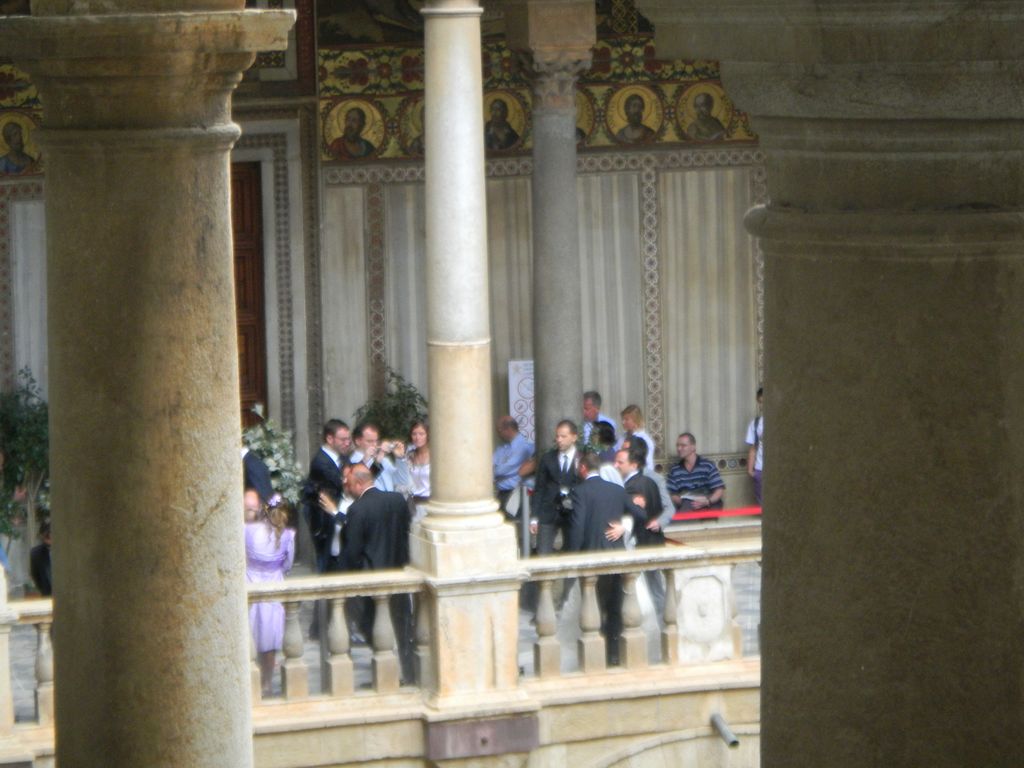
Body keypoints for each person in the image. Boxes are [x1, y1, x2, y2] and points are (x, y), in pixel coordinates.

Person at [340, 464, 415, 683]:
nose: (347, 488)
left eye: (349, 484)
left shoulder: (357, 509)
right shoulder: (397, 501)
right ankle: (408, 674)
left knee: (372, 626)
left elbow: (353, 551)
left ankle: (388, 676)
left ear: (358, 483)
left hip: (372, 579)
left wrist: (344, 574)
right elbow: (406, 532)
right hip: (399, 573)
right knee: (402, 628)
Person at [567, 452, 628, 665]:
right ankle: (614, 653)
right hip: (616, 556)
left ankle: (596, 654)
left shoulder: (580, 491)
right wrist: (624, 527)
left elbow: (578, 526)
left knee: (594, 605)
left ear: (583, 468)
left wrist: (573, 554)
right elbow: (640, 515)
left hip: (592, 555)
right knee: (614, 606)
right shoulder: (617, 490)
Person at [244, 489, 296, 697]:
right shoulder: (288, 536)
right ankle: (266, 682)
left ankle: (252, 680)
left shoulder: (248, 531)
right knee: (270, 638)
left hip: (251, 583)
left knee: (251, 632)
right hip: (273, 588)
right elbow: (288, 565)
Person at [616, 442, 667, 617]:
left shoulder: (631, 487)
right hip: (653, 540)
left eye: (620, 462)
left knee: (645, 588)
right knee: (655, 587)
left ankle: (658, 620)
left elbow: (633, 516)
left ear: (633, 464)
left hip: (640, 542)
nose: (616, 465)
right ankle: (663, 619)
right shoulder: (649, 482)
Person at [304, 419, 351, 573]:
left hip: (338, 515)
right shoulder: (320, 462)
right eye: (343, 439)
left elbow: (357, 479)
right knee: (326, 561)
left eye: (348, 439)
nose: (347, 443)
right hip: (324, 520)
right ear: (330, 439)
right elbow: (344, 483)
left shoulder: (343, 457)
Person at [533, 419, 581, 556]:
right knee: (543, 553)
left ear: (574, 437)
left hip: (573, 512)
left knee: (573, 554)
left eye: (563, 436)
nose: (559, 440)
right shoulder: (547, 458)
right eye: (557, 436)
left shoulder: (582, 459)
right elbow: (539, 488)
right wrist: (534, 517)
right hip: (548, 512)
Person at [666, 432, 726, 513]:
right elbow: (672, 494)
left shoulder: (707, 465)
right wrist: (687, 503)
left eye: (683, 445)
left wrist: (708, 501)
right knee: (684, 510)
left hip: (708, 502)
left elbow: (719, 490)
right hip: (687, 504)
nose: (679, 449)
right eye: (677, 445)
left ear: (693, 447)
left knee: (714, 508)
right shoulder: (674, 470)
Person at [492, 415, 535, 514]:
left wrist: (496, 470)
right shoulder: (501, 448)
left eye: (499, 430)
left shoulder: (525, 447)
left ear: (508, 429)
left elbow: (501, 470)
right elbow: (488, 469)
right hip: (501, 494)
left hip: (517, 494)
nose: (498, 434)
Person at [351, 421, 403, 492]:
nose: (375, 444)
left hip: (389, 497)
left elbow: (401, 480)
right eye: (370, 441)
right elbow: (362, 481)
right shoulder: (353, 461)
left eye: (376, 441)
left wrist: (400, 458)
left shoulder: (382, 459)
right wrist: (373, 460)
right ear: (358, 441)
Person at [399, 419, 430, 522]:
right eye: (414, 434)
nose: (417, 437)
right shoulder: (410, 456)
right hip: (414, 502)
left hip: (431, 501)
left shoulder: (436, 455)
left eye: (421, 434)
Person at [615, 404, 655, 474]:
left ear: (635, 420)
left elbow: (648, 463)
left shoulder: (644, 439)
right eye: (623, 419)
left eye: (626, 419)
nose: (623, 422)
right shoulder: (622, 437)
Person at [745, 387, 764, 505]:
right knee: (762, 504)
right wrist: (750, 470)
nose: (762, 406)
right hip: (760, 469)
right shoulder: (756, 424)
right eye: (760, 402)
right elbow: (753, 448)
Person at [30, 519, 52, 597]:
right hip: (47, 595)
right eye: (47, 535)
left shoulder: (66, 550)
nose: (49, 537)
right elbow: (35, 576)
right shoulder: (36, 553)